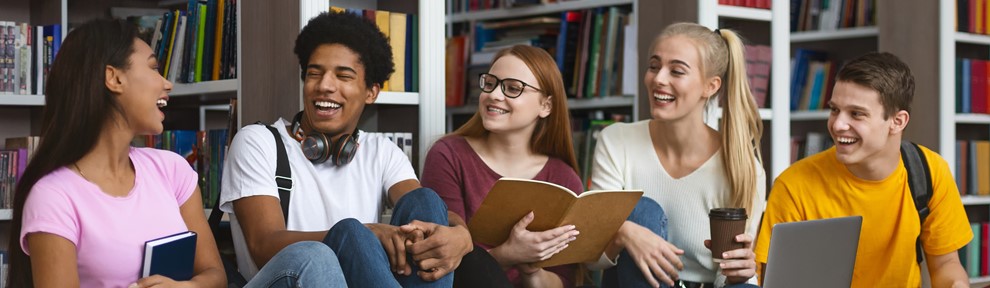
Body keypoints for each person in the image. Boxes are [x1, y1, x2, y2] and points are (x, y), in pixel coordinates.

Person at [219, 10, 472, 288]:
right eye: (315, 73)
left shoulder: (381, 151)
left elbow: (431, 212)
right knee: (347, 234)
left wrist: (461, 235)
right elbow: (263, 245)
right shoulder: (258, 142)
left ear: (371, 92)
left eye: (343, 76)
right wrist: (365, 234)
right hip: (287, 279)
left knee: (425, 200)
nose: (325, 86)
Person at [6, 19, 226, 287]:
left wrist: (187, 287)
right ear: (114, 77)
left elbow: (215, 276)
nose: (167, 84)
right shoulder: (53, 196)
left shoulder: (173, 170)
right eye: (154, 68)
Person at [754, 52, 973, 288]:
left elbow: (945, 263)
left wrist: (956, 284)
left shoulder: (930, 171)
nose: (837, 125)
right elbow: (775, 281)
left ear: (897, 121)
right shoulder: (793, 185)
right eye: (835, 110)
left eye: (856, 114)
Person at [589, 22, 766, 288]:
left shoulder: (743, 168)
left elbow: (727, 276)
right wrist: (624, 232)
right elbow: (591, 258)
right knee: (641, 211)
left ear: (711, 86)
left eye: (676, 71)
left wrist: (740, 271)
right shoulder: (616, 141)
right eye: (654, 66)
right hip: (631, 281)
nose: (658, 79)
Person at [421, 45, 582, 287]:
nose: (494, 95)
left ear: (546, 106)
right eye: (490, 83)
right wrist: (510, 254)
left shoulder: (564, 178)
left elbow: (565, 280)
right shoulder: (448, 155)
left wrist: (532, 271)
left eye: (513, 88)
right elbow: (445, 264)